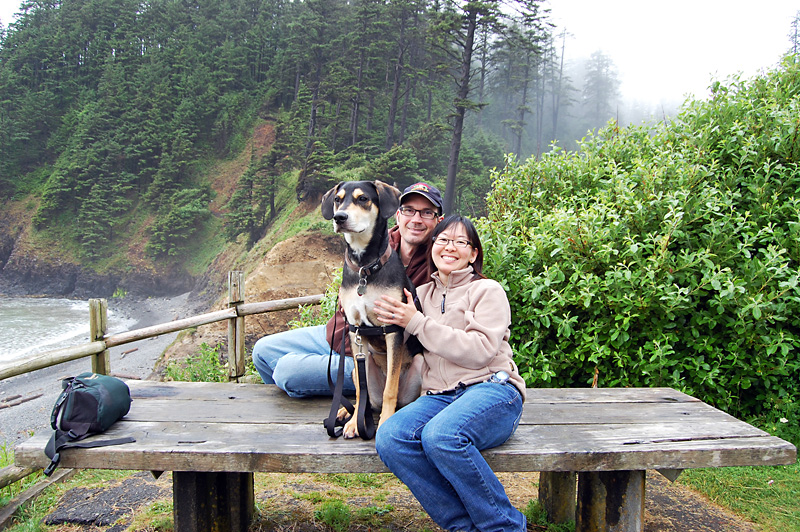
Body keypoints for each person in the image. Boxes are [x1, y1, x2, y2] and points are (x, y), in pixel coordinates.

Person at [373, 214, 528, 532]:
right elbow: (396, 338)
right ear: (432, 247)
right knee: (390, 438)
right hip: (440, 397)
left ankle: (505, 527)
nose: (450, 247)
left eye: (461, 242)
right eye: (442, 240)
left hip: (492, 390)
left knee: (441, 436)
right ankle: (463, 527)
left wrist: (415, 322)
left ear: (473, 253)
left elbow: (479, 351)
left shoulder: (487, 291)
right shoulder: (419, 295)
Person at [252, 182, 444, 398]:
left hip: (376, 356)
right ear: (396, 213)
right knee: (262, 351)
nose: (416, 219)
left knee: (287, 372)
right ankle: (333, 396)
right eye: (409, 210)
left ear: (439, 221)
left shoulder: (441, 260)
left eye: (427, 213)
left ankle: (367, 391)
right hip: (337, 335)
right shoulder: (371, 241)